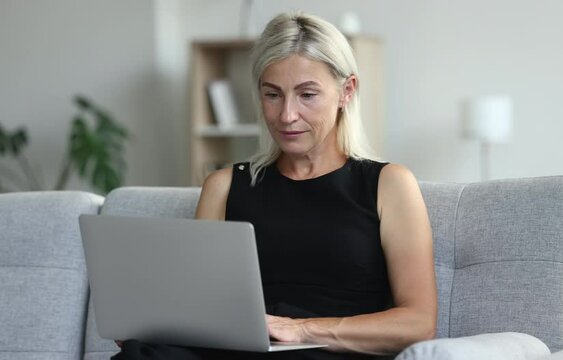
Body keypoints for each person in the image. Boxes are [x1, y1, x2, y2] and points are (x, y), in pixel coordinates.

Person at [113, 11, 436, 360]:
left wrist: (301, 330)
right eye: (273, 95)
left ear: (347, 91)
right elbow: (202, 310)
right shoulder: (223, 187)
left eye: (307, 95)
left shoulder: (388, 185)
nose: (286, 115)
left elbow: (418, 323)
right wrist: (155, 324)